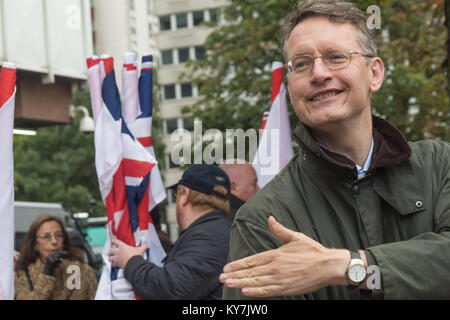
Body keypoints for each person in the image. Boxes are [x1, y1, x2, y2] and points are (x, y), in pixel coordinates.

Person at [221, 0, 450, 300]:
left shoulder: (438, 164)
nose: (318, 73)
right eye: (301, 63)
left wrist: (347, 266)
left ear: (375, 74)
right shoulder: (262, 221)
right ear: (290, 87)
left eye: (336, 57)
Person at [109, 164, 232, 299]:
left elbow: (172, 288)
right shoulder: (216, 229)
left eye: (175, 195)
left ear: (185, 195)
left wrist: (131, 262)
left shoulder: (209, 236)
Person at [14, 215, 98, 300]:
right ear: (35, 244)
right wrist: (47, 273)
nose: (54, 241)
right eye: (46, 237)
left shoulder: (83, 271)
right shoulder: (22, 273)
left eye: (58, 235)